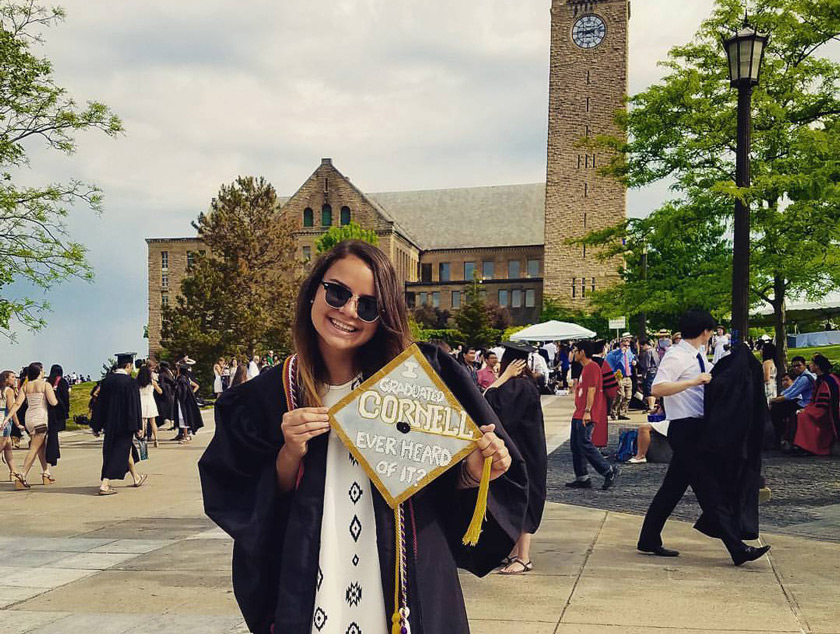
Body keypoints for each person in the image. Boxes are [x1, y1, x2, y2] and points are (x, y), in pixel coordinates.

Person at [198, 240, 526, 634]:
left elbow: (442, 495)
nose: (348, 311)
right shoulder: (267, 397)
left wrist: (475, 471)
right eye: (337, 292)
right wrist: (290, 453)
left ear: (382, 317)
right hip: (315, 575)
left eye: (368, 305)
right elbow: (242, 501)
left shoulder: (416, 381)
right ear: (313, 291)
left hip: (402, 582)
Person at [637, 309, 770, 566]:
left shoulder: (696, 355)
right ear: (706, 331)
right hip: (685, 429)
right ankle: (737, 547)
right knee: (709, 489)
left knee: (672, 489)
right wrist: (694, 382)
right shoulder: (677, 355)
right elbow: (657, 388)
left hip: (696, 429)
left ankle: (648, 538)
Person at [484, 342, 547, 575]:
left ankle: (523, 558)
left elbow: (488, 404)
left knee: (523, 501)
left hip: (524, 455)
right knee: (518, 500)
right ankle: (514, 554)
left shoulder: (517, 387)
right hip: (527, 452)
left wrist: (502, 378)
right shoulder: (524, 385)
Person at [566, 340, 620, 490]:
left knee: (585, 443)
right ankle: (582, 477)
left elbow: (592, 390)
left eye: (575, 350)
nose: (573, 353)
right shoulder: (585, 368)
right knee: (576, 446)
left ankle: (608, 470)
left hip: (587, 413)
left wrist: (588, 411)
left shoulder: (593, 367)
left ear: (582, 352)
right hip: (580, 412)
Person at [92, 352, 147, 495]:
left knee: (124, 450)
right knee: (116, 453)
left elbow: (100, 405)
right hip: (125, 424)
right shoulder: (130, 382)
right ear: (128, 365)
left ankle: (136, 477)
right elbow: (134, 406)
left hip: (110, 424)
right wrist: (138, 427)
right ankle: (105, 484)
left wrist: (96, 425)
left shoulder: (107, 381)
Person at [2, 362, 59, 489]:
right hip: (41, 418)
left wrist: (7, 417)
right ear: (39, 371)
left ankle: (46, 472)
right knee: (34, 448)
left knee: (40, 447)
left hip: (29, 419)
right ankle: (22, 476)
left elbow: (17, 404)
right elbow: (53, 402)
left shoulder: (26, 386)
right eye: (42, 369)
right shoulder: (45, 385)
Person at [792, 354, 839, 456]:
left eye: (812, 363)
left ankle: (807, 447)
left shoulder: (827, 381)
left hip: (827, 415)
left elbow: (823, 406)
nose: (810, 365)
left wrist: (807, 411)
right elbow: (814, 401)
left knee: (803, 417)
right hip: (818, 410)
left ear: (817, 366)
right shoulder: (820, 380)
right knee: (800, 413)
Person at [768, 356, 814, 448]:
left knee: (777, 409)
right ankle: (779, 437)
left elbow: (790, 395)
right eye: (794, 366)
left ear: (804, 365)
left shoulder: (805, 378)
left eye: (798, 365)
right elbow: (788, 391)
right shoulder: (800, 377)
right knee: (777, 407)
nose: (796, 368)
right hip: (801, 401)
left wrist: (773, 400)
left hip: (806, 404)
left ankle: (778, 438)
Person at [45, 364, 70, 479]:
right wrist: (67, 410)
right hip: (58, 409)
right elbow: (65, 396)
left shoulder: (48, 381)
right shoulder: (62, 381)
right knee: (55, 431)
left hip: (48, 409)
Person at [606, 334, 635, 420]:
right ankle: (614, 412)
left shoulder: (629, 353)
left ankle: (622, 413)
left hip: (627, 376)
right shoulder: (614, 353)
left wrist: (634, 362)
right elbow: (613, 363)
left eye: (628, 346)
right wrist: (621, 353)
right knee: (620, 395)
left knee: (628, 396)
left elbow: (632, 360)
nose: (626, 347)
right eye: (624, 345)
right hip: (619, 376)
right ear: (620, 344)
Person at [0, 370, 22, 482]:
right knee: (2, 445)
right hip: (4, 420)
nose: (15, 379)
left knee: (8, 447)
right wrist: (18, 424)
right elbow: (12, 409)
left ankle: (14, 471)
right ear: (6, 379)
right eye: (12, 377)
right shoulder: (8, 391)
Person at [174, 364, 203, 444]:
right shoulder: (187, 378)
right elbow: (196, 386)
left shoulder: (181, 380)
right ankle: (186, 435)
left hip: (182, 402)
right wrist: (191, 394)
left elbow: (181, 392)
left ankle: (186, 436)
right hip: (187, 402)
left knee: (183, 418)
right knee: (186, 417)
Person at [137, 365, 162, 448]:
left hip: (141, 402)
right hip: (150, 401)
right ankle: (156, 439)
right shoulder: (152, 382)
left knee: (142, 422)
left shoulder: (137, 382)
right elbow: (160, 391)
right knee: (153, 422)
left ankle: (142, 440)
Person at [637, 338, 659, 413]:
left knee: (648, 389)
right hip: (655, 371)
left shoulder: (648, 352)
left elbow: (646, 364)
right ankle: (651, 405)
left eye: (642, 346)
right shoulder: (654, 351)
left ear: (646, 345)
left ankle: (650, 406)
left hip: (649, 372)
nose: (642, 348)